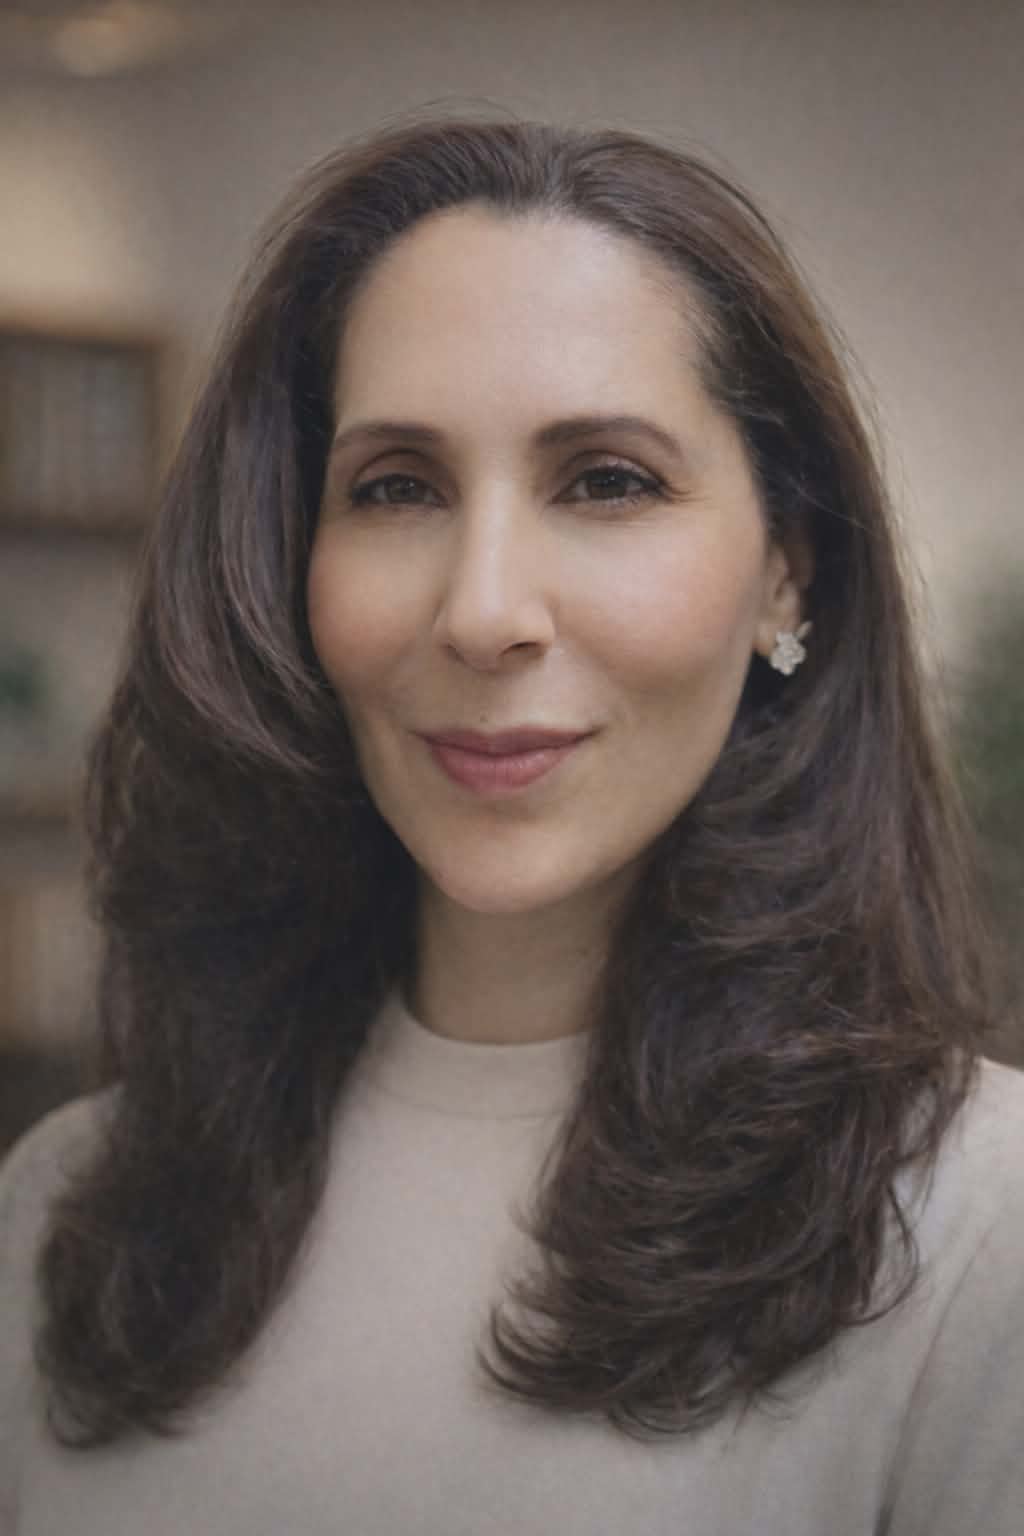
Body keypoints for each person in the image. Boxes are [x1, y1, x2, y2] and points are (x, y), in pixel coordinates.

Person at [2, 114, 1023, 1535]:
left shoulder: (981, 1233)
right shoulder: (62, 1207)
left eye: (606, 480)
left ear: (787, 570)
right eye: (396, 488)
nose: (483, 611)